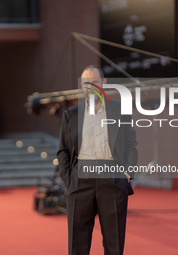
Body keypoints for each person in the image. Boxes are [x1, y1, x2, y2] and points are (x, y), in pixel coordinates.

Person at [57, 65, 138, 255]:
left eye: (95, 82)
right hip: (79, 180)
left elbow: (131, 146)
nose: (91, 87)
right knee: (77, 244)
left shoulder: (121, 111)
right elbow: (63, 151)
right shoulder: (71, 115)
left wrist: (126, 174)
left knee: (114, 243)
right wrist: (68, 180)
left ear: (104, 83)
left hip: (112, 178)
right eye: (87, 83)